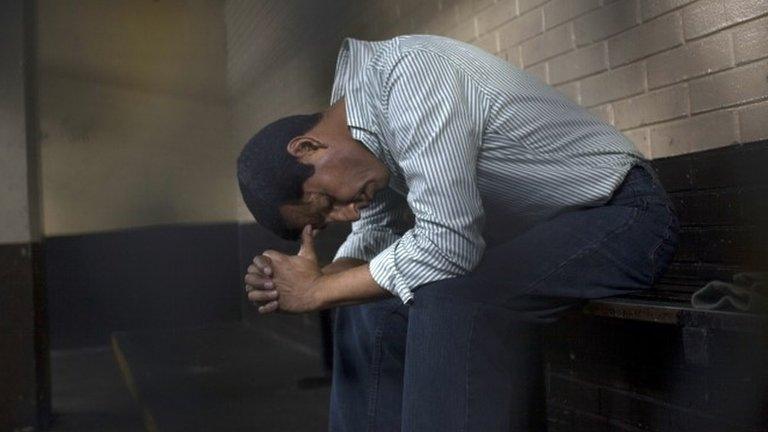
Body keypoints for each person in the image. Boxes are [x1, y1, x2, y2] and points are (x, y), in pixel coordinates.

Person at [237, 34, 680, 431]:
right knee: (365, 311)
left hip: (623, 216)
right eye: (326, 219)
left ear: (308, 147)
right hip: (537, 240)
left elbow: (449, 246)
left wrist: (317, 292)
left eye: (326, 202)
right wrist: (315, 280)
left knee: (452, 296)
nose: (346, 213)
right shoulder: (362, 126)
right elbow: (377, 230)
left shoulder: (410, 80)